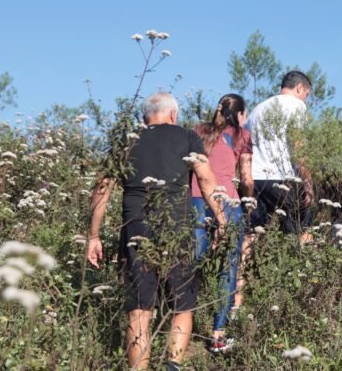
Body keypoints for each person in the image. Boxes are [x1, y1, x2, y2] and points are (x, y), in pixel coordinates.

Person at [86, 92, 225, 371]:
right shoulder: (187, 136)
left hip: (136, 225)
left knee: (139, 306)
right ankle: (172, 366)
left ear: (143, 117)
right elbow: (206, 178)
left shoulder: (127, 141)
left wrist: (93, 236)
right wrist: (221, 219)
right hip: (178, 224)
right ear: (173, 115)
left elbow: (103, 188)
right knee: (182, 302)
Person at [190, 94, 254, 352]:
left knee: (192, 260)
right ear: (239, 115)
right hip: (228, 201)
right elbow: (247, 177)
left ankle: (178, 322)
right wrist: (249, 201)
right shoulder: (241, 135)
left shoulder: (197, 131)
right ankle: (218, 334)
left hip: (195, 199)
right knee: (228, 264)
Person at [246, 70, 314, 244]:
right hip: (281, 178)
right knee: (298, 229)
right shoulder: (296, 106)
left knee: (255, 233)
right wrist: (308, 181)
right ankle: (297, 268)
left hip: (255, 179)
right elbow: (298, 145)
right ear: (299, 88)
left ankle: (244, 270)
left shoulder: (257, 109)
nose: (306, 100)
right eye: (306, 95)